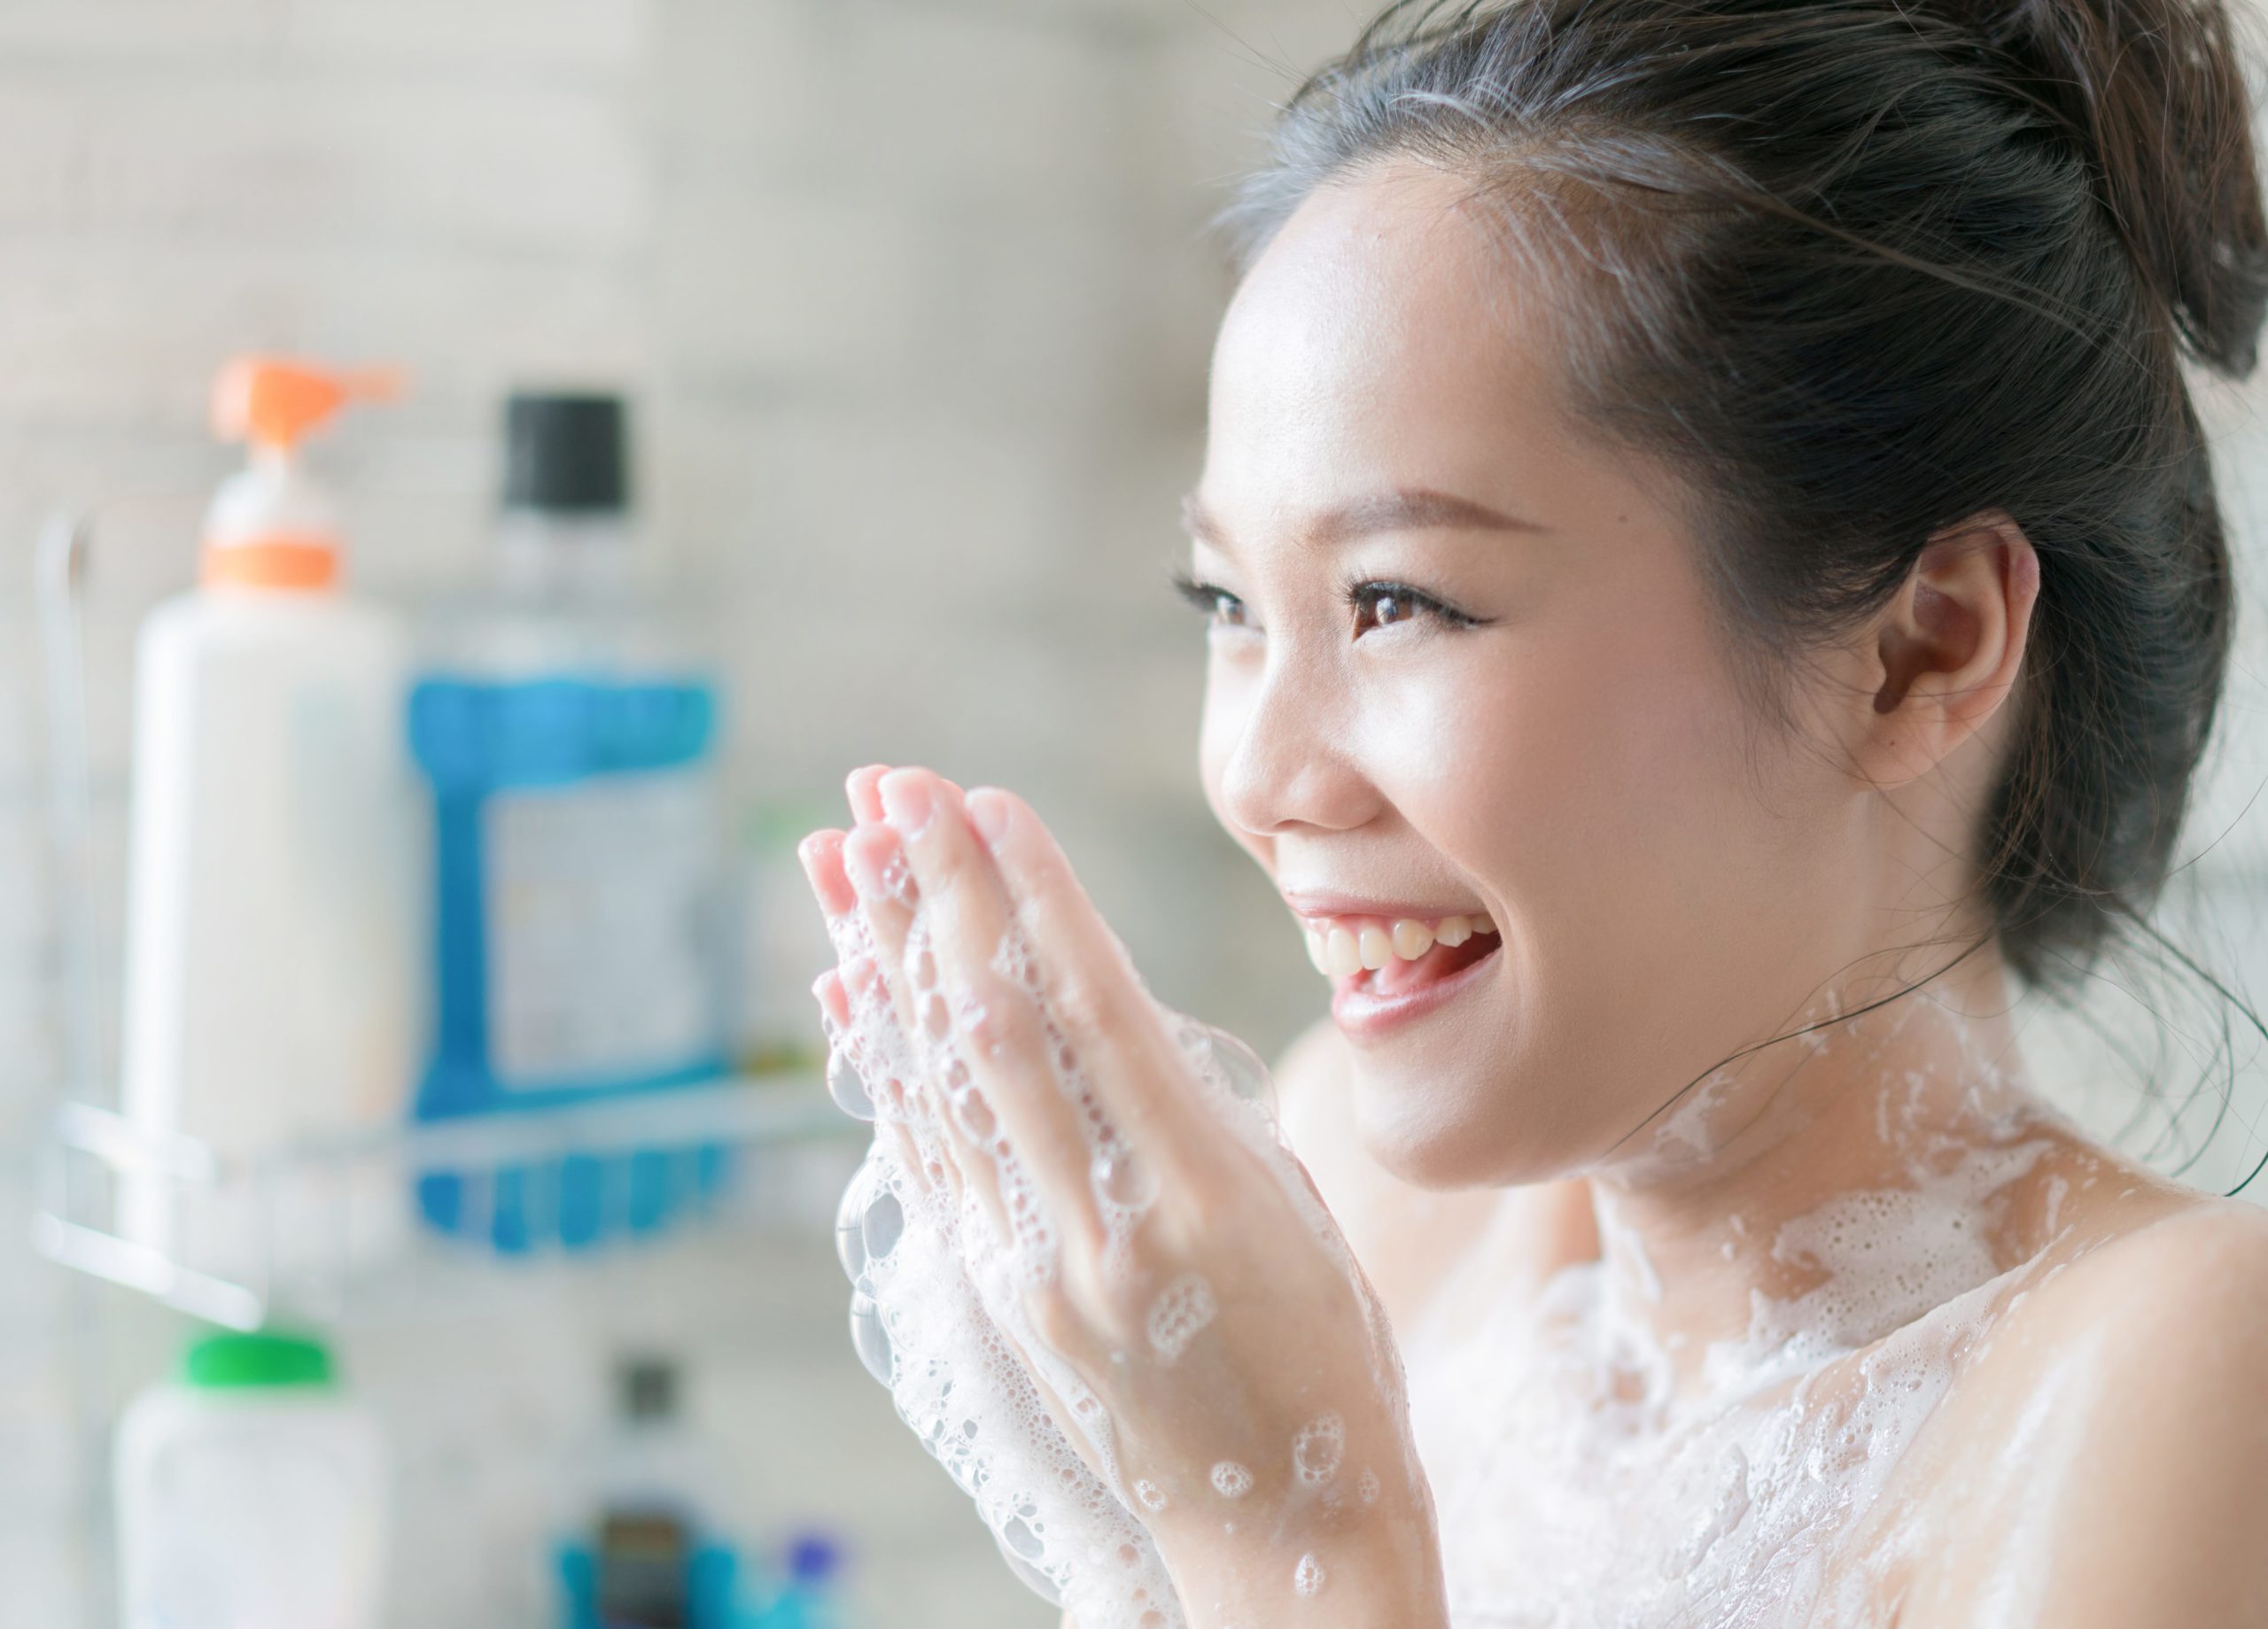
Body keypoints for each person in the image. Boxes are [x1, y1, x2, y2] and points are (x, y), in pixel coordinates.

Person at [799, 0, 2268, 1622]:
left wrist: (1296, 1542)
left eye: (1399, 602)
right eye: (1225, 604)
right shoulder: (1360, 1212)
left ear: (1921, 648)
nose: (1262, 780)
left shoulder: (2183, 1381)